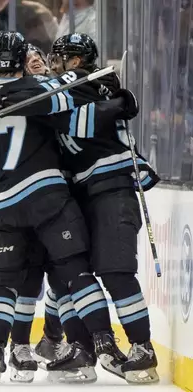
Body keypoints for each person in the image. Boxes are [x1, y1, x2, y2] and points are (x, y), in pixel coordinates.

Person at [0, 2, 136, 383]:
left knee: (5, 280)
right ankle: (103, 343)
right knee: (74, 270)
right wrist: (113, 95)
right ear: (23, 58)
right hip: (42, 197)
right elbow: (73, 95)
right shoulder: (38, 88)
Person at [44, 33, 159, 384]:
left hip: (113, 188)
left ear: (76, 62)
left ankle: (142, 348)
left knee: (115, 271)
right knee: (70, 275)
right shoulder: (89, 89)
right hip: (85, 194)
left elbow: (80, 122)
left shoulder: (87, 87)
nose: (54, 63)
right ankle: (80, 346)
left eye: (60, 57)